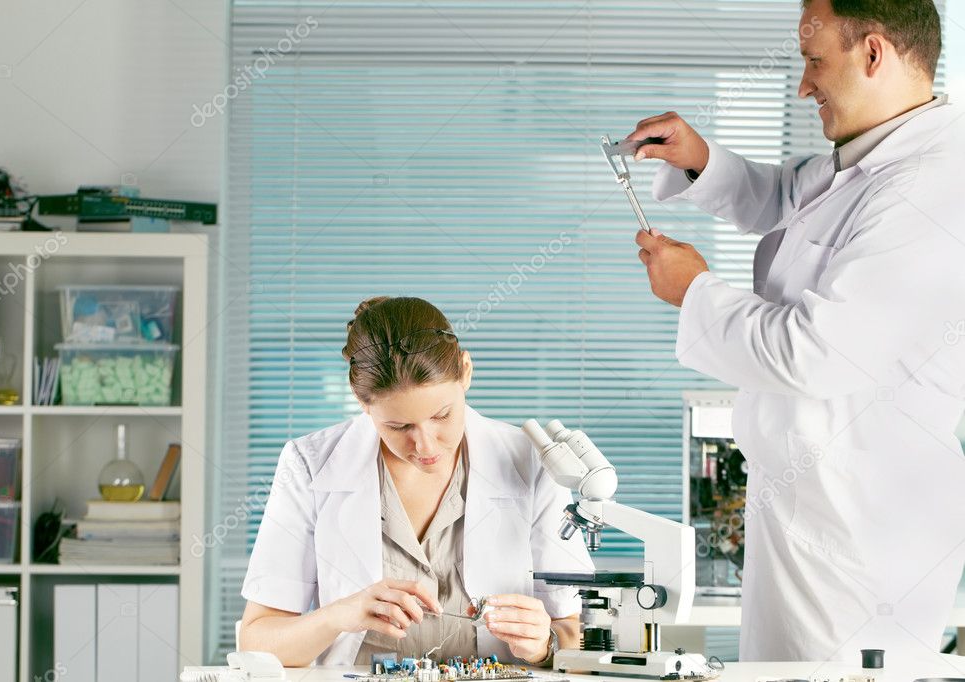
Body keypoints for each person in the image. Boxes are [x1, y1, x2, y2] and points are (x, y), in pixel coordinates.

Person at [626, 0, 965, 664]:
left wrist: (693, 291)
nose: (803, 85)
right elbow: (791, 201)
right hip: (806, 506)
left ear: (873, 53)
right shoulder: (874, 154)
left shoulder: (929, 187)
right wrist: (700, 160)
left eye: (814, 62)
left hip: (855, 531)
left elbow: (813, 353)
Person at [238, 296, 593, 666]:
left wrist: (544, 643)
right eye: (399, 426)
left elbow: (576, 629)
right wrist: (337, 615)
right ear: (362, 402)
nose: (425, 445)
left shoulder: (530, 462)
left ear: (466, 371)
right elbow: (258, 640)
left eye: (441, 415)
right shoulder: (310, 465)